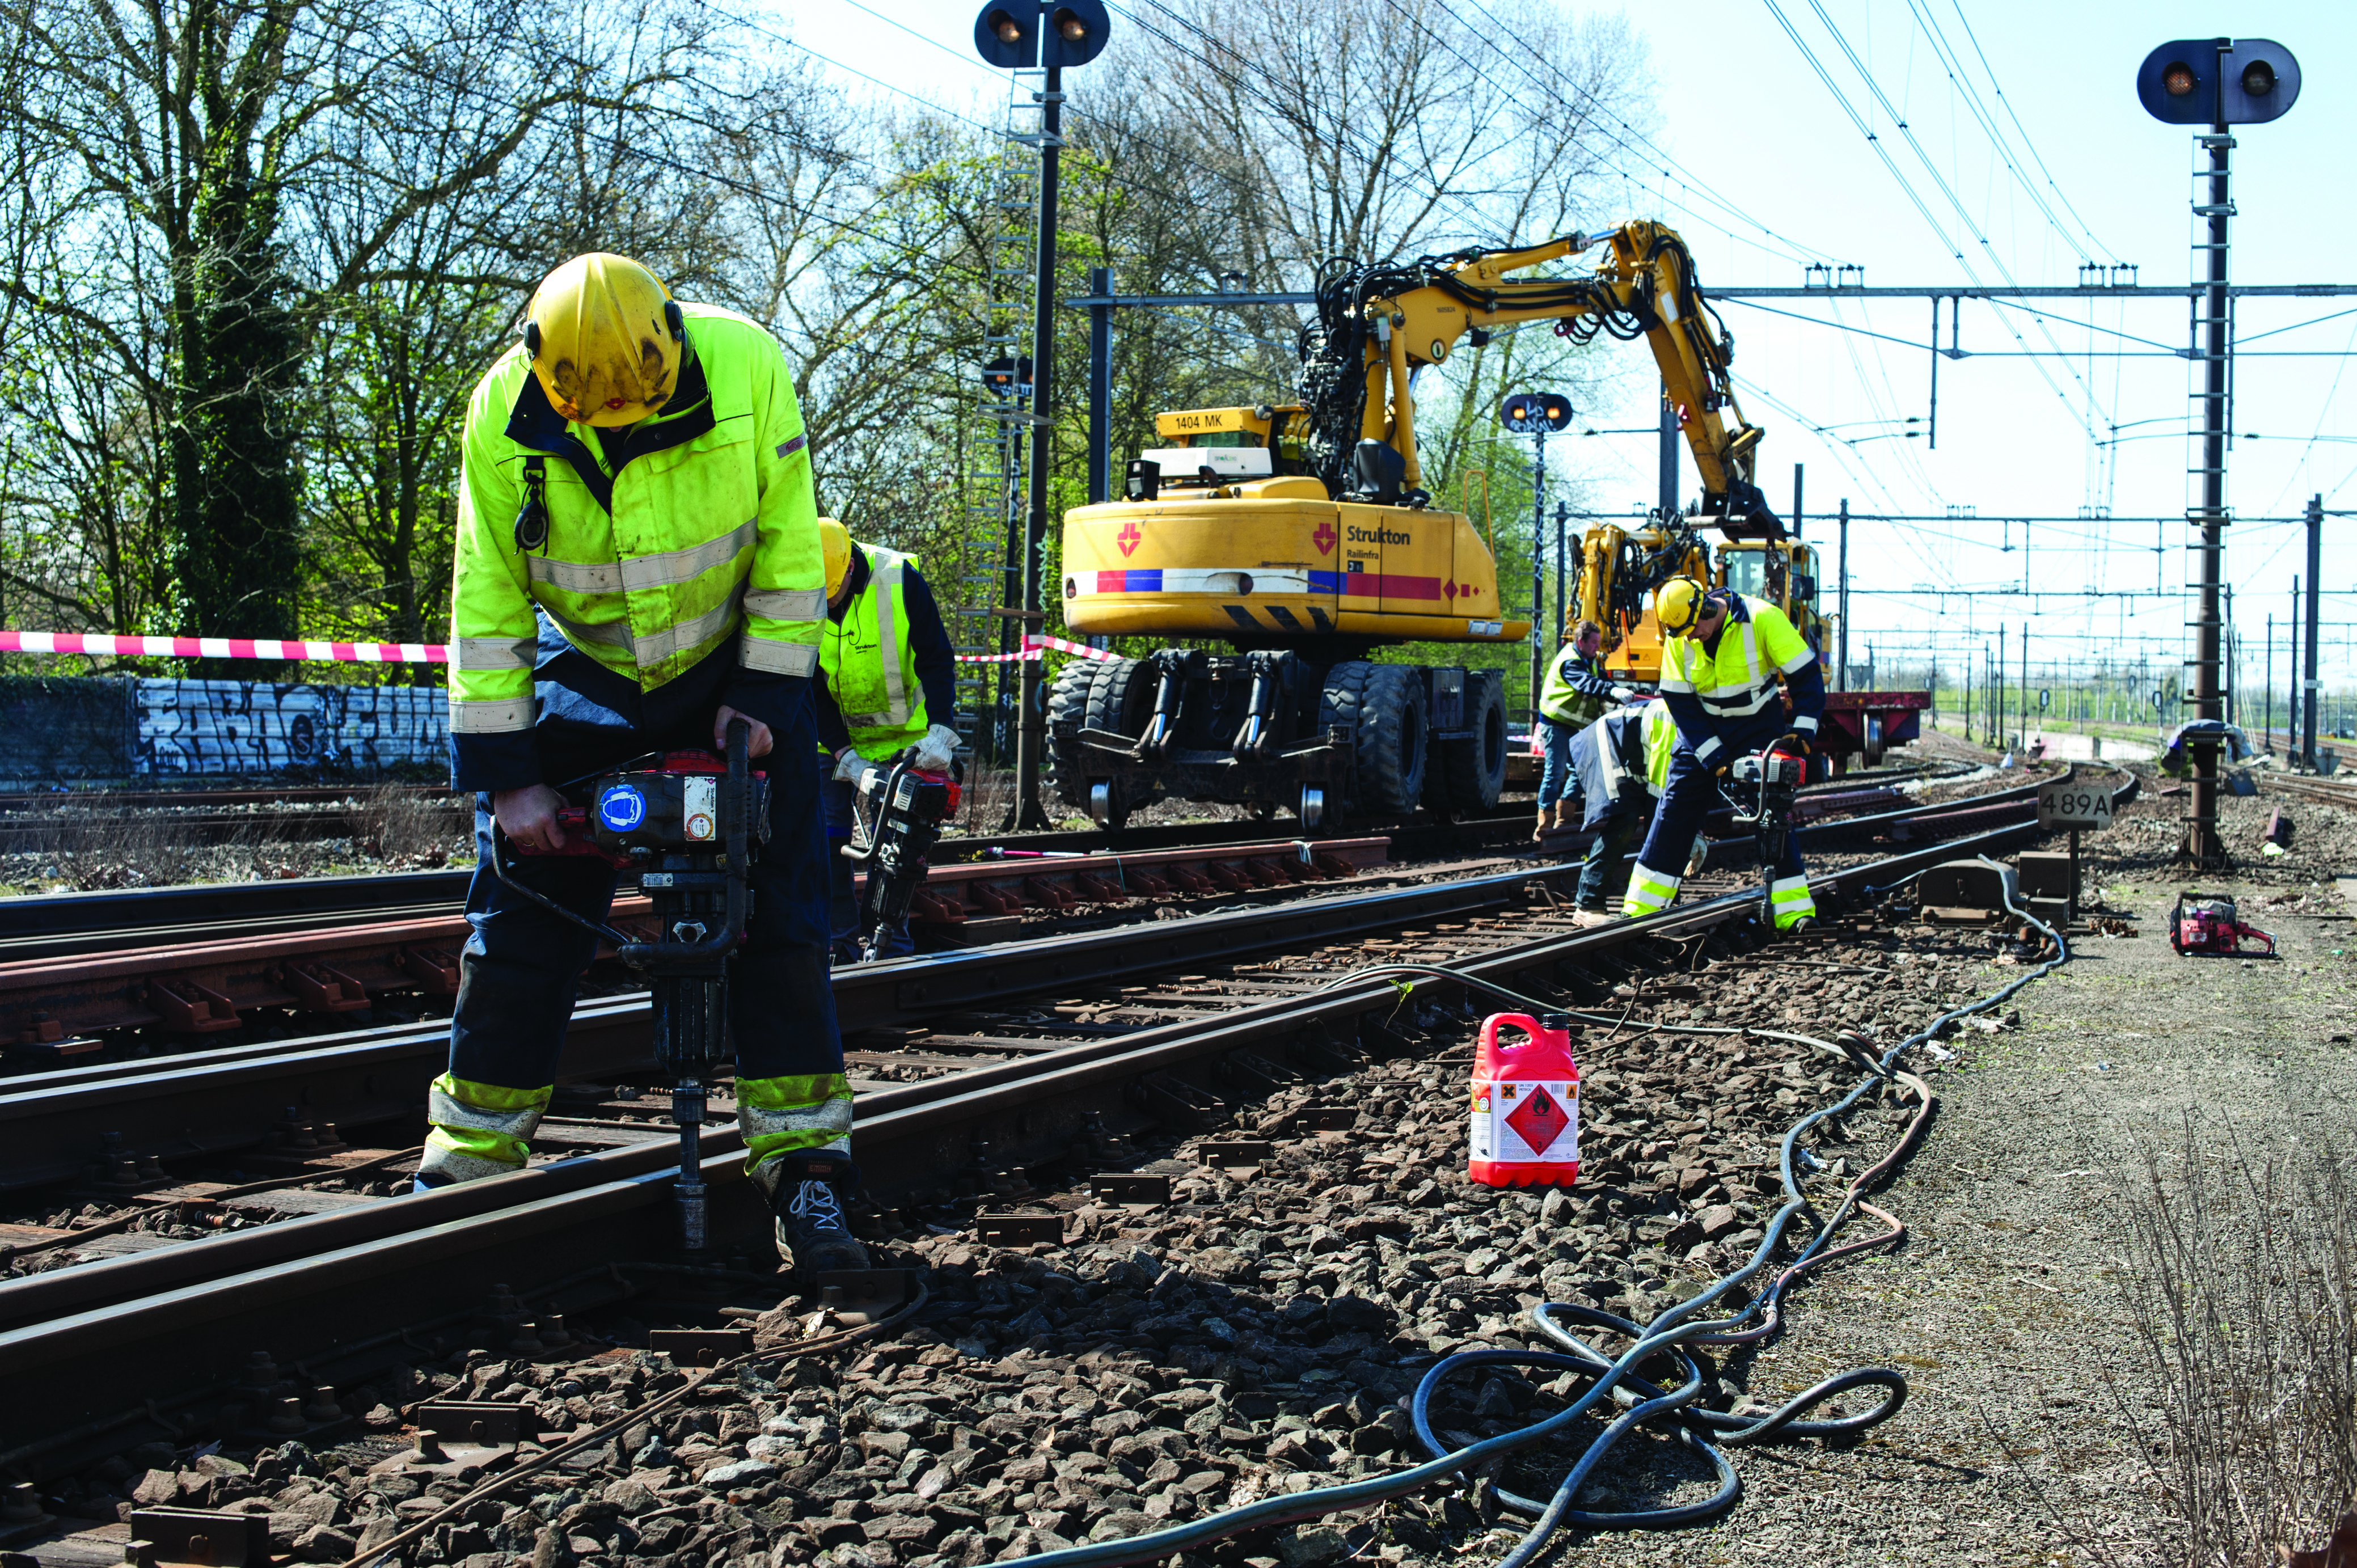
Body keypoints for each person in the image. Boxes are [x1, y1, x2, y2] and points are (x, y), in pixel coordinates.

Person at [431, 252, 865, 1277]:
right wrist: (511, 779)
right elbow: (486, 602)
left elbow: (790, 555)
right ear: (547, 377)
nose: (621, 424)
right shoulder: (500, 414)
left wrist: (764, 705)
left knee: (780, 924)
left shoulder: (747, 365)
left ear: (671, 340)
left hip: (733, 667)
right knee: (521, 919)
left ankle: (806, 1175)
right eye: (598, 415)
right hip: (587, 669)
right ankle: (468, 1166)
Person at [1620, 578, 1825, 931]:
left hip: (1757, 727)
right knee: (1674, 811)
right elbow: (1680, 701)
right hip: (1702, 730)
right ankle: (1640, 911)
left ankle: (1793, 913)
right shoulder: (1679, 636)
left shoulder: (1763, 618)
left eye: (1693, 630)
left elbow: (1807, 677)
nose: (1691, 639)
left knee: (1772, 814)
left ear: (1707, 608)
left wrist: (1803, 733)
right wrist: (1715, 758)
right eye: (1682, 634)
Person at [814, 519, 961, 961]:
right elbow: (808, 683)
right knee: (825, 841)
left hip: (906, 742)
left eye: (831, 594)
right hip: (834, 742)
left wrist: (941, 730)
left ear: (849, 569)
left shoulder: (899, 579)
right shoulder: (799, 589)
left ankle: (891, 949)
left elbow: (937, 658)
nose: (826, 603)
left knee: (900, 850)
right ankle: (837, 945)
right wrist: (844, 754)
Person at [1561, 698, 1680, 923]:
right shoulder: (1675, 725)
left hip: (1631, 753)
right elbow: (1661, 798)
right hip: (1607, 742)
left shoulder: (1693, 725)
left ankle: (1665, 903)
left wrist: (1695, 834)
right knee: (1625, 819)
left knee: (1660, 829)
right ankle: (1588, 905)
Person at [1534, 619, 1631, 840]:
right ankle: (1544, 827)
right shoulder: (1571, 662)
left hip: (1571, 725)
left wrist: (1619, 690)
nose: (1598, 646)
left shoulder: (1589, 661)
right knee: (1555, 773)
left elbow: (1601, 680)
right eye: (1594, 642)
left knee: (1581, 770)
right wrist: (1614, 693)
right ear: (1581, 642)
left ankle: (1564, 818)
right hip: (1556, 724)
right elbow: (1587, 684)